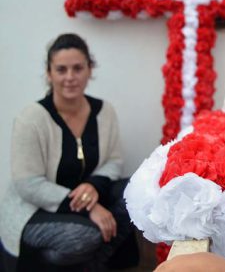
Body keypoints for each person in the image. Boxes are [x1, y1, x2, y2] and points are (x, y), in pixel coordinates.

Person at [0, 33, 139, 271]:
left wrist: (94, 185)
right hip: (37, 209)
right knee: (84, 237)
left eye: (78, 68)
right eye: (61, 69)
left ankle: (90, 265)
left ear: (89, 69)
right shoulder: (30, 119)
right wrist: (88, 206)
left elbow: (114, 160)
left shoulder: (104, 111)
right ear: (49, 73)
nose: (70, 77)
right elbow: (27, 184)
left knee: (135, 193)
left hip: (87, 198)